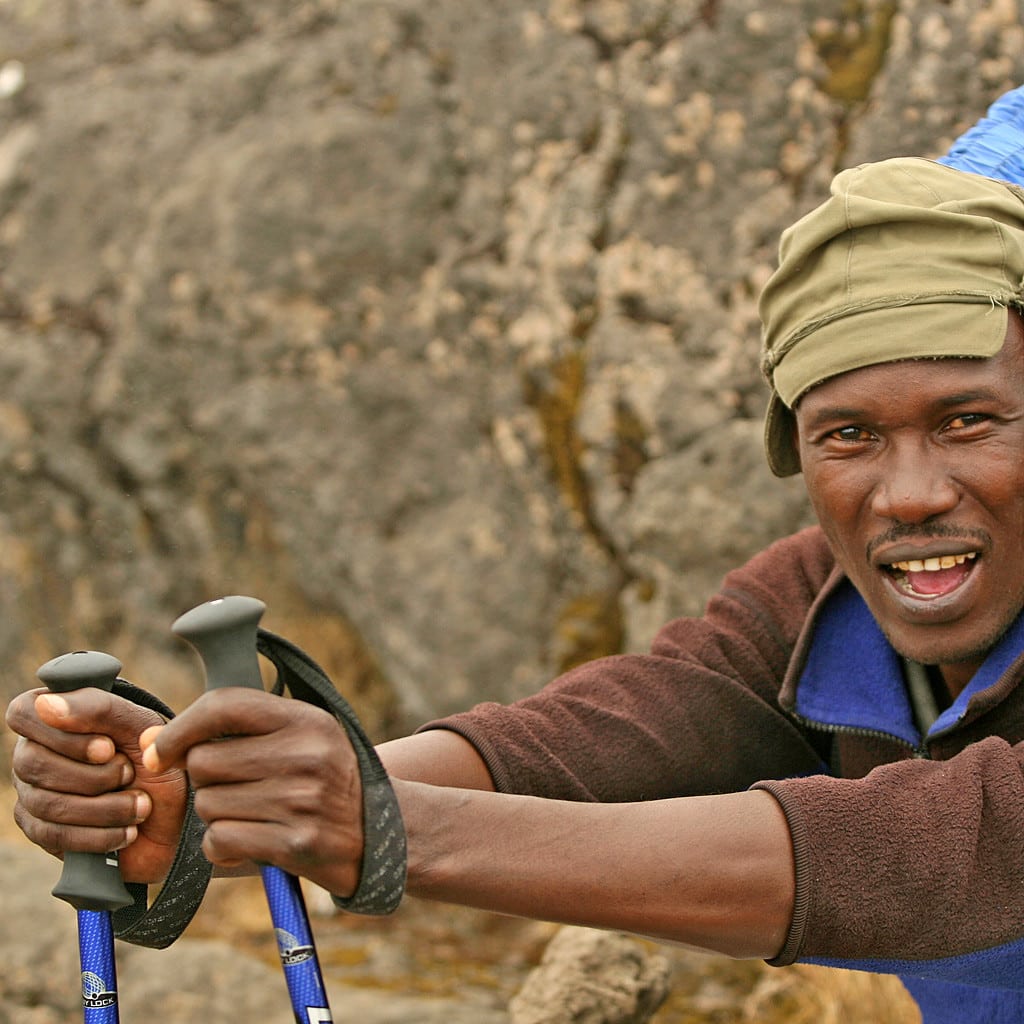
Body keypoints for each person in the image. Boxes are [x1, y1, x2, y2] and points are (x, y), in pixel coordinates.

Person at [10, 89, 1024, 1024]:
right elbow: (619, 731)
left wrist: (379, 824)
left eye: (969, 420)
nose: (910, 494)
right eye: (848, 435)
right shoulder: (819, 602)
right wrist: (213, 803)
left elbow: (947, 853)